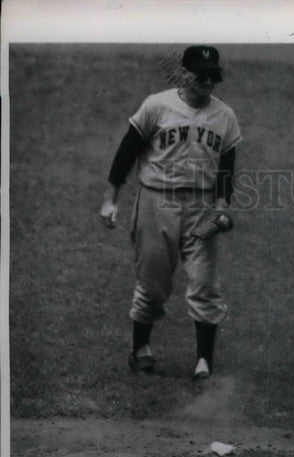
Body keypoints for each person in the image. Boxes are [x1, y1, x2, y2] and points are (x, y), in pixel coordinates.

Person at [99, 45, 242, 380]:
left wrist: (221, 210)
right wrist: (110, 198)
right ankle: (141, 350)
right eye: (200, 74)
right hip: (155, 202)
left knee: (204, 282)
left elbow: (226, 170)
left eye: (213, 76)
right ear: (183, 73)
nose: (207, 81)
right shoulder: (157, 105)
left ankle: (204, 361)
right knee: (153, 282)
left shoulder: (225, 116)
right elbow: (126, 153)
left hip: (200, 206)